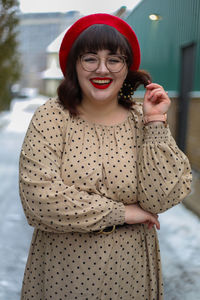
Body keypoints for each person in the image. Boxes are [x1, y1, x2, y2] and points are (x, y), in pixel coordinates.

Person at [19, 13, 192, 300]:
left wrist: (156, 122)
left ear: (126, 68)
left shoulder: (142, 120)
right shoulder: (52, 116)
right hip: (64, 273)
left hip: (130, 271)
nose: (102, 69)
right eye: (90, 58)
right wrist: (123, 212)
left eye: (114, 59)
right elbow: (38, 199)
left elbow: (161, 198)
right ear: (75, 65)